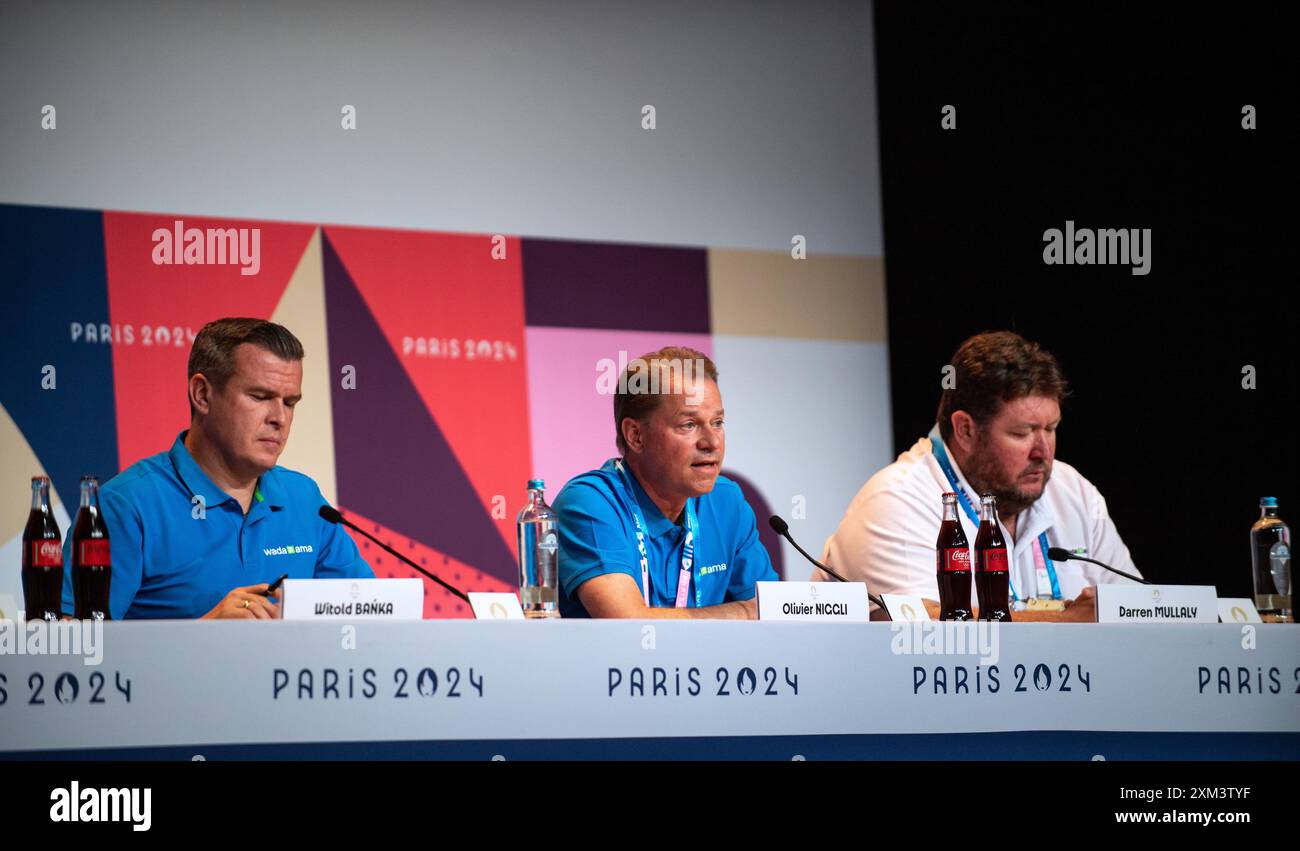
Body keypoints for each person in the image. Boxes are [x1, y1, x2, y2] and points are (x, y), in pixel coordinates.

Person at [817, 331, 1140, 622]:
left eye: (1051, 429)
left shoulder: (1075, 493)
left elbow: (1140, 614)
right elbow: (925, 640)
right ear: (966, 430)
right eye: (1022, 432)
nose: (1043, 451)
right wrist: (1072, 622)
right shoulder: (895, 502)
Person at [61, 318, 372, 619]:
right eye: (260, 397)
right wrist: (206, 633)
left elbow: (370, 615)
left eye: (290, 403)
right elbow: (73, 649)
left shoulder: (304, 499)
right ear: (202, 395)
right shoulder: (124, 507)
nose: (279, 417)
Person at [554, 347, 776, 618]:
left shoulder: (726, 501)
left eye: (717, 422)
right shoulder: (590, 503)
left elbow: (772, 616)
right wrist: (741, 612)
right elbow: (628, 625)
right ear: (635, 436)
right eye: (689, 425)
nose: (712, 442)